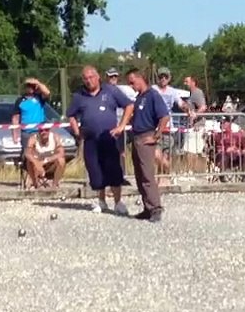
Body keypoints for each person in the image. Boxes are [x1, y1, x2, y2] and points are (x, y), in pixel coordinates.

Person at [67, 65, 131, 214]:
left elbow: (129, 105)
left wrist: (122, 126)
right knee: (96, 171)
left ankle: (118, 202)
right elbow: (71, 115)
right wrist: (77, 132)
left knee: (114, 170)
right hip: (90, 140)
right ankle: (101, 201)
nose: (88, 81)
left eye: (91, 77)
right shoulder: (79, 96)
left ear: (98, 77)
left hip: (110, 138)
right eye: (85, 78)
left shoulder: (111, 91)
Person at [123, 68, 169, 222]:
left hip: (146, 136)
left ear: (140, 78)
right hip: (136, 137)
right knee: (139, 175)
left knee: (147, 174)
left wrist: (156, 136)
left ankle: (156, 208)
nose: (131, 85)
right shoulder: (139, 97)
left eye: (132, 82)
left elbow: (164, 116)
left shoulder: (153, 95)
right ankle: (147, 207)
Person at [11, 76, 53, 145]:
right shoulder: (20, 100)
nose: (31, 88)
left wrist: (37, 83)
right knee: (27, 152)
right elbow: (15, 118)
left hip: (39, 131)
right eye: (29, 86)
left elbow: (47, 92)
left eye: (33, 86)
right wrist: (15, 134)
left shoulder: (40, 98)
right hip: (26, 133)